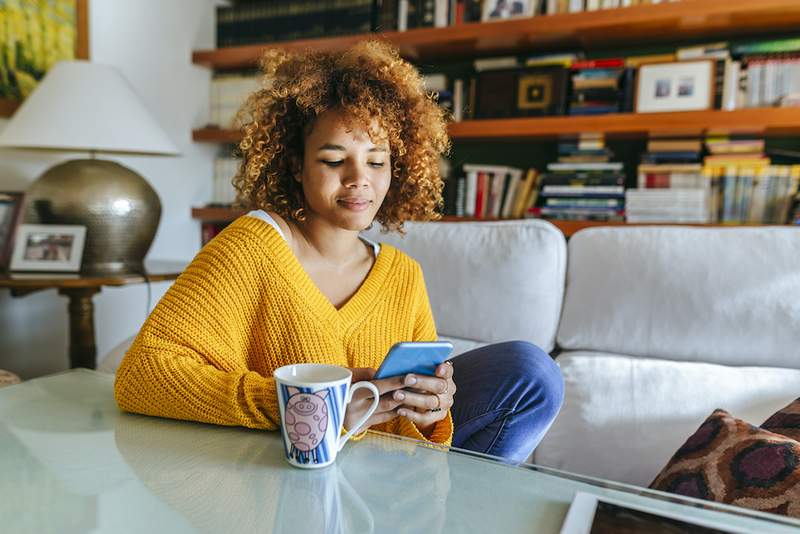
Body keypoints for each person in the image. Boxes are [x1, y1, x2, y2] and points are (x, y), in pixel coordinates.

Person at [114, 40, 563, 463]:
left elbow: (425, 425)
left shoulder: (402, 275)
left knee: (530, 372)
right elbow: (141, 377)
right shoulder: (249, 249)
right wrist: (308, 408)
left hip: (386, 481)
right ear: (294, 163)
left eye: (376, 160)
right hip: (285, 476)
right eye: (334, 160)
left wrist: (434, 409)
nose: (358, 178)